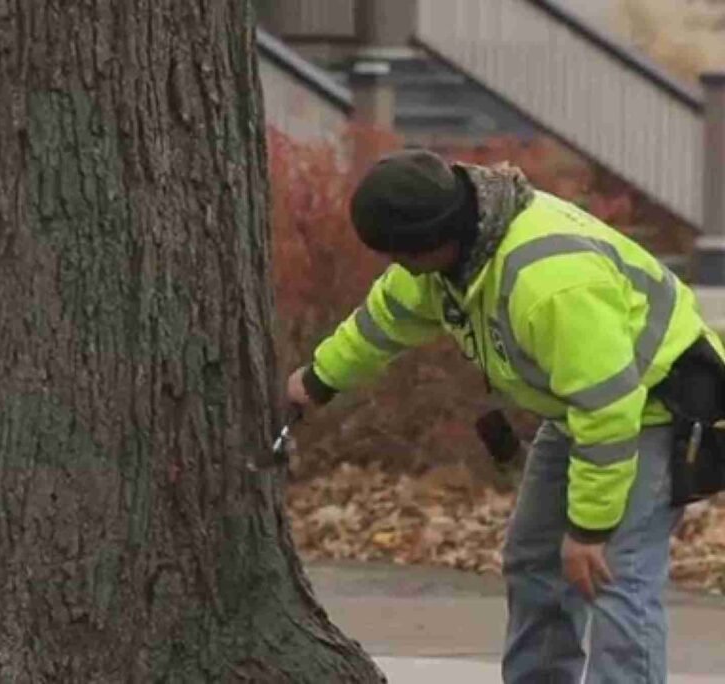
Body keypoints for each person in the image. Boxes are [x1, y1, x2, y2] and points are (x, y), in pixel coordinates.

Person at [286, 149, 725, 683]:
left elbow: (607, 410)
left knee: (612, 576)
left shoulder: (549, 283)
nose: (393, 267)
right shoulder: (452, 254)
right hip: (578, 412)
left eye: (398, 255)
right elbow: (386, 319)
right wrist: (318, 380)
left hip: (650, 411)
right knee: (536, 560)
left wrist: (589, 529)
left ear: (431, 242)